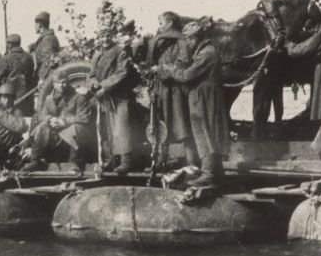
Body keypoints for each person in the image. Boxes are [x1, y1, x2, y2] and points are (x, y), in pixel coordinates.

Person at [155, 21, 229, 186]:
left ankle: (209, 173)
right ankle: (214, 171)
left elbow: (187, 75)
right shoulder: (203, 51)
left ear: (197, 37)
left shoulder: (206, 53)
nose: (187, 42)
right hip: (200, 97)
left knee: (206, 132)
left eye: (189, 38)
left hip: (205, 98)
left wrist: (169, 69)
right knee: (205, 132)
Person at [146, 11, 198, 166]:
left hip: (175, 88)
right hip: (161, 87)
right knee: (160, 123)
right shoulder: (159, 42)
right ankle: (162, 159)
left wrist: (161, 69)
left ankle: (192, 161)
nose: (159, 26)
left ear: (169, 23)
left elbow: (183, 62)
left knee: (181, 124)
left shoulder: (181, 42)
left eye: (161, 23)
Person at [91, 28, 140, 175]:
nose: (105, 39)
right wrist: (93, 83)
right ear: (98, 38)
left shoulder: (120, 52)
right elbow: (91, 74)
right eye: (102, 36)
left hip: (120, 96)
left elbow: (122, 73)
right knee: (108, 130)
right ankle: (111, 160)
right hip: (105, 98)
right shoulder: (97, 55)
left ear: (112, 37)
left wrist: (103, 86)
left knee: (121, 128)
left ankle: (126, 162)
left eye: (107, 36)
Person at [25, 77, 95, 174]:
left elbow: (84, 117)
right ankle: (35, 161)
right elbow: (42, 116)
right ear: (53, 84)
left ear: (68, 83)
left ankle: (75, 163)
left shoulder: (78, 97)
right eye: (58, 82)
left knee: (75, 128)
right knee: (41, 128)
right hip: (58, 132)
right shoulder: (49, 99)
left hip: (78, 132)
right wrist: (50, 119)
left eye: (64, 82)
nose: (62, 85)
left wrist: (65, 121)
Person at [0, 33, 36, 116]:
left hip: (11, 96)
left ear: (10, 44)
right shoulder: (29, 57)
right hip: (27, 95)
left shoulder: (5, 58)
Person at [30, 11, 61, 83]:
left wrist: (42, 78)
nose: (34, 26)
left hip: (47, 77)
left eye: (35, 24)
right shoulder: (48, 37)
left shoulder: (47, 39)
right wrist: (31, 46)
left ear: (39, 24)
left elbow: (48, 60)